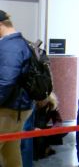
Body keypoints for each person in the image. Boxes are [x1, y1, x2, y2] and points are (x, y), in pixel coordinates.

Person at [0, 10, 34, 166]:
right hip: (18, 108)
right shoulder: (21, 42)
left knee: (11, 152)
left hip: (8, 110)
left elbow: (6, 80)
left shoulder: (9, 46)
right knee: (11, 153)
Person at [33, 92, 65, 160]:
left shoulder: (51, 104)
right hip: (31, 129)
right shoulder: (32, 104)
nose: (42, 103)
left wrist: (54, 129)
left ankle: (45, 148)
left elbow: (58, 121)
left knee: (60, 131)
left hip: (43, 130)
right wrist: (33, 128)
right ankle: (44, 149)